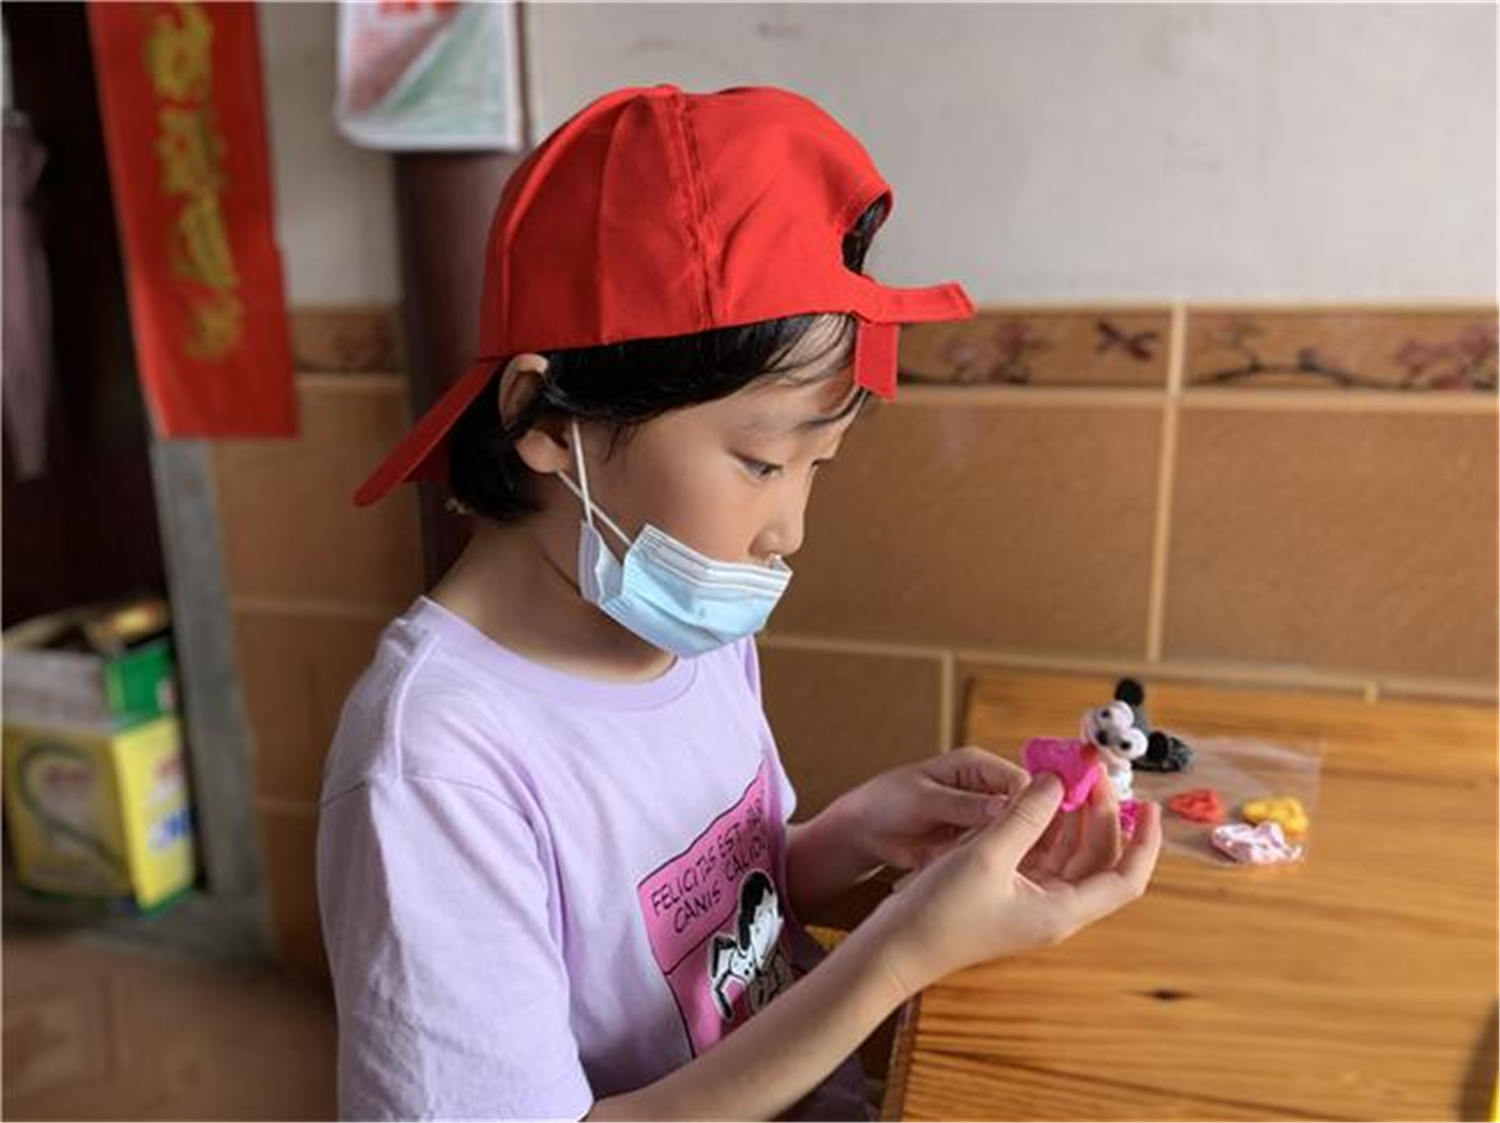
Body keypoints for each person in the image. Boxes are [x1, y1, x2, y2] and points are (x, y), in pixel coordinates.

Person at [316, 83, 1162, 1123]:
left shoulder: (682, 618)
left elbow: (696, 933)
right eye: (762, 462)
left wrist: (851, 834)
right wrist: (900, 952)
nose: (787, 530)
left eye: (818, 464)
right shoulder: (436, 765)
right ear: (542, 416)